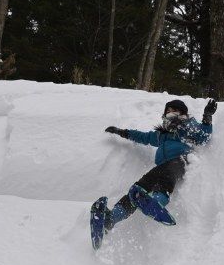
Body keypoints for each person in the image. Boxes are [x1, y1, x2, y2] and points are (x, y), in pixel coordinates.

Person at [91, 98, 217, 248]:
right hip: (162, 166)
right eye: (168, 111)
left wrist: (207, 117)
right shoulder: (162, 135)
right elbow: (143, 137)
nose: (170, 113)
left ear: (182, 113)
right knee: (136, 190)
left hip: (182, 162)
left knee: (168, 175)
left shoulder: (188, 126)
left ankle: (158, 200)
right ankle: (110, 219)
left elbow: (203, 136)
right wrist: (121, 132)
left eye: (174, 110)